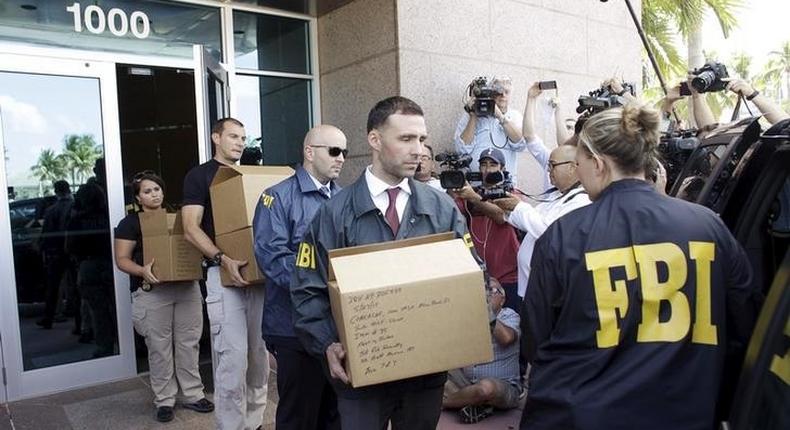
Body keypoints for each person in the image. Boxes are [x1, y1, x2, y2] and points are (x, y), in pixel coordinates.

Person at [519, 103, 763, 430]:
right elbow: (744, 322)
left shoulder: (564, 236)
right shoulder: (709, 227)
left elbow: (536, 339)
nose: (577, 173)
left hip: (579, 416)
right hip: (685, 414)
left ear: (598, 164)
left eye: (578, 164)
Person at [291, 96, 477, 430]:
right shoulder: (333, 214)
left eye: (422, 139)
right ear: (375, 140)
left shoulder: (442, 209)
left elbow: (471, 275)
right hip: (361, 378)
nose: (418, 150)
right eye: (406, 139)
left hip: (426, 374)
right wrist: (326, 345)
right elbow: (307, 290)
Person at [252, 125, 347, 430]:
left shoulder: (345, 199)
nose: (342, 158)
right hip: (293, 328)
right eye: (334, 151)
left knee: (335, 415)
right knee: (298, 417)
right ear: (310, 152)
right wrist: (329, 281)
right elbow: (273, 258)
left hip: (338, 327)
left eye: (344, 151)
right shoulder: (277, 198)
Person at [182, 118, 269, 430]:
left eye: (243, 137)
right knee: (232, 359)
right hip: (223, 277)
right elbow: (191, 229)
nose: (240, 142)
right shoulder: (200, 176)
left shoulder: (252, 176)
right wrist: (222, 258)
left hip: (259, 278)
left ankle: (254, 422)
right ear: (215, 137)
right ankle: (231, 426)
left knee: (259, 358)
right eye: (233, 136)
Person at [114, 171, 213, 423]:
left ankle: (192, 394)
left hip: (186, 289)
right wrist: (142, 271)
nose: (154, 194)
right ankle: (165, 400)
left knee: (188, 344)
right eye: (147, 191)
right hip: (153, 293)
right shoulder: (131, 223)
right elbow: (122, 259)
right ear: (138, 197)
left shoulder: (179, 218)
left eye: (157, 189)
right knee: (159, 348)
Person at [492, 144, 590, 302]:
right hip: (533, 289)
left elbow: (549, 230)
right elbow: (531, 221)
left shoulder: (581, 201)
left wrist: (518, 206)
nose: (549, 170)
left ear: (572, 167)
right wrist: (507, 209)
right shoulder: (556, 196)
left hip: (548, 294)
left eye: (553, 165)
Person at [443, 277, 522, 424]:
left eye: (491, 290)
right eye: (482, 290)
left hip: (503, 386)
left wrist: (487, 312)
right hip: (466, 381)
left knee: (485, 389)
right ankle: (476, 403)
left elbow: (506, 338)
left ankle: (445, 403)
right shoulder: (467, 317)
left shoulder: (509, 315)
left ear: (503, 298)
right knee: (433, 371)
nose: (486, 294)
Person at [450, 148, 520, 312]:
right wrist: (453, 191)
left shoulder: (512, 193)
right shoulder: (469, 195)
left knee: (511, 331)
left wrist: (474, 198)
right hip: (481, 278)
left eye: (493, 164)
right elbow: (451, 214)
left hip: (509, 277)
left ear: (502, 168)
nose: (487, 169)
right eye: (483, 164)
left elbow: (501, 216)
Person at [454, 76, 526, 183]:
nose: (503, 95)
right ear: (491, 93)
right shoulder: (469, 116)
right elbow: (461, 149)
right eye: (499, 92)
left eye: (507, 92)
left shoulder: (515, 116)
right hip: (476, 183)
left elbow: (521, 144)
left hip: (504, 184)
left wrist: (500, 116)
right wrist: (473, 115)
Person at [37, 179, 74, 330]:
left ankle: (49, 317)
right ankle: (79, 323)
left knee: (53, 286)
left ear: (56, 191)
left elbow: (46, 234)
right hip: (72, 252)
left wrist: (42, 248)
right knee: (75, 287)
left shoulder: (52, 210)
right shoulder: (75, 207)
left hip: (56, 252)